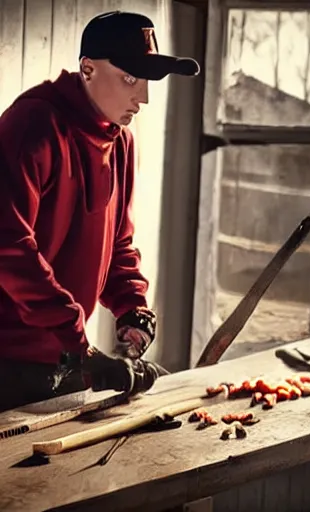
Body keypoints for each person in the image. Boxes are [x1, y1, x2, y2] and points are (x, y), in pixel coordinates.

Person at [0, 11, 200, 412]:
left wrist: (132, 308)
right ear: (87, 69)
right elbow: (9, 249)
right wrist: (79, 343)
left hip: (64, 355)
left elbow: (118, 243)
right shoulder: (31, 126)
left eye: (147, 82)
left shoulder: (120, 140)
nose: (142, 98)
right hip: (8, 361)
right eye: (130, 78)